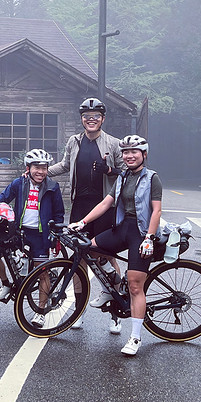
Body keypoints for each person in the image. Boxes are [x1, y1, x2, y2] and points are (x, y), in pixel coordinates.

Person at [69, 135, 161, 356]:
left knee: (136, 287)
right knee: (89, 248)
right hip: (122, 228)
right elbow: (106, 203)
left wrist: (149, 237)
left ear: (144, 155)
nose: (129, 156)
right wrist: (83, 222)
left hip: (140, 233)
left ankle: (135, 337)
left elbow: (156, 210)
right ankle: (112, 286)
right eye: (126, 152)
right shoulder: (122, 177)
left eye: (134, 152)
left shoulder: (152, 178)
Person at [48, 97, 125, 328]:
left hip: (104, 207)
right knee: (79, 259)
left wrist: (109, 169)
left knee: (105, 256)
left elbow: (126, 172)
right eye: (86, 117)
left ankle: (116, 313)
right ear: (82, 119)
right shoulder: (74, 141)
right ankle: (78, 311)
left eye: (95, 117)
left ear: (102, 119)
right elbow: (64, 165)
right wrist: (38, 172)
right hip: (80, 206)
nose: (91, 120)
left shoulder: (114, 143)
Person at [0, 148, 65, 327]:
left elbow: (59, 213)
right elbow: (2, 198)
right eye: (36, 167)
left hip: (40, 234)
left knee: (42, 272)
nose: (40, 171)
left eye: (44, 168)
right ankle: (6, 284)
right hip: (19, 231)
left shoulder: (53, 187)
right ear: (28, 168)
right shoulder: (19, 183)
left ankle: (40, 312)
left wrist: (56, 235)